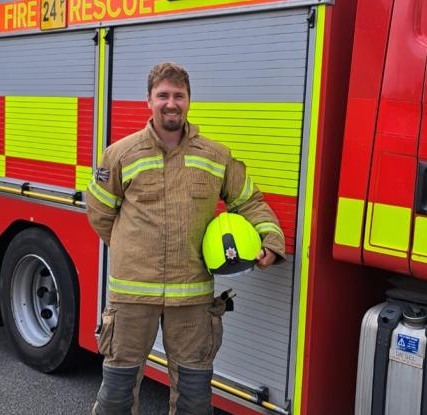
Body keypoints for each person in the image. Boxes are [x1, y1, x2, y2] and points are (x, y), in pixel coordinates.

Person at [85, 62, 286, 415]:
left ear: (189, 100)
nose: (171, 103)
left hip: (192, 298)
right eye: (162, 95)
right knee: (116, 395)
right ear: (148, 100)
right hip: (132, 297)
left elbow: (249, 201)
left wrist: (269, 239)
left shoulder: (215, 155)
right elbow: (101, 213)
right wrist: (133, 251)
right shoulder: (120, 154)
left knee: (194, 400)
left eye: (178, 95)